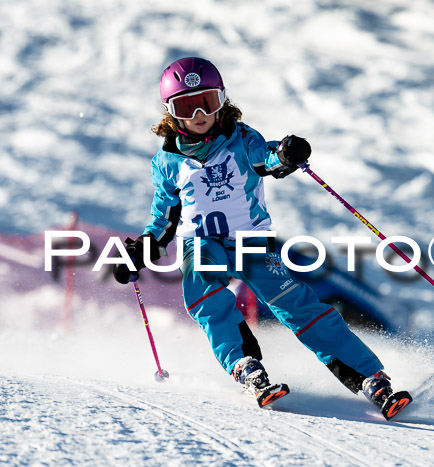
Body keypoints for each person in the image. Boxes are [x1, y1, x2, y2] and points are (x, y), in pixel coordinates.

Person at [113, 57, 412, 419]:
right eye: (186, 106)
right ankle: (246, 366)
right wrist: (143, 248)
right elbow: (164, 217)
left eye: (207, 102)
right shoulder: (166, 162)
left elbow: (266, 158)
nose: (198, 114)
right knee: (205, 295)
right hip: (201, 242)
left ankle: (369, 377)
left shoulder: (240, 139)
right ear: (170, 112)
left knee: (296, 304)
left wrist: (285, 153)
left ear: (222, 100)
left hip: (250, 241)